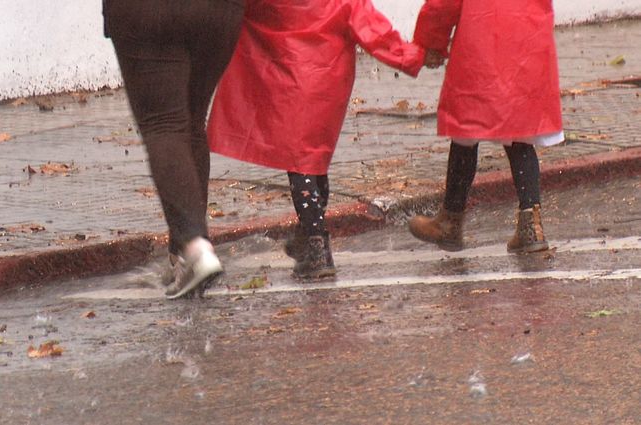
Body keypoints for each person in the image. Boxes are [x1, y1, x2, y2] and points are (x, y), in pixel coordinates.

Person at [208, 0, 425, 279]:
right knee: (313, 160)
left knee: (301, 164)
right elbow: (373, 30)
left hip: (287, 77)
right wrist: (414, 56)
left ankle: (315, 243)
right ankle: (309, 237)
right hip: (327, 82)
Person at [103, 0, 246, 298]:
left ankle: (194, 246)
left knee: (164, 124)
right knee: (192, 122)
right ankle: (182, 256)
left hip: (148, 12)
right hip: (219, 13)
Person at [408, 0, 564, 253]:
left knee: (466, 131)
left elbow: (442, 5)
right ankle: (531, 226)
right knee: (520, 133)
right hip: (527, 41)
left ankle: (450, 221)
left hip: (481, 42)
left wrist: (430, 44)